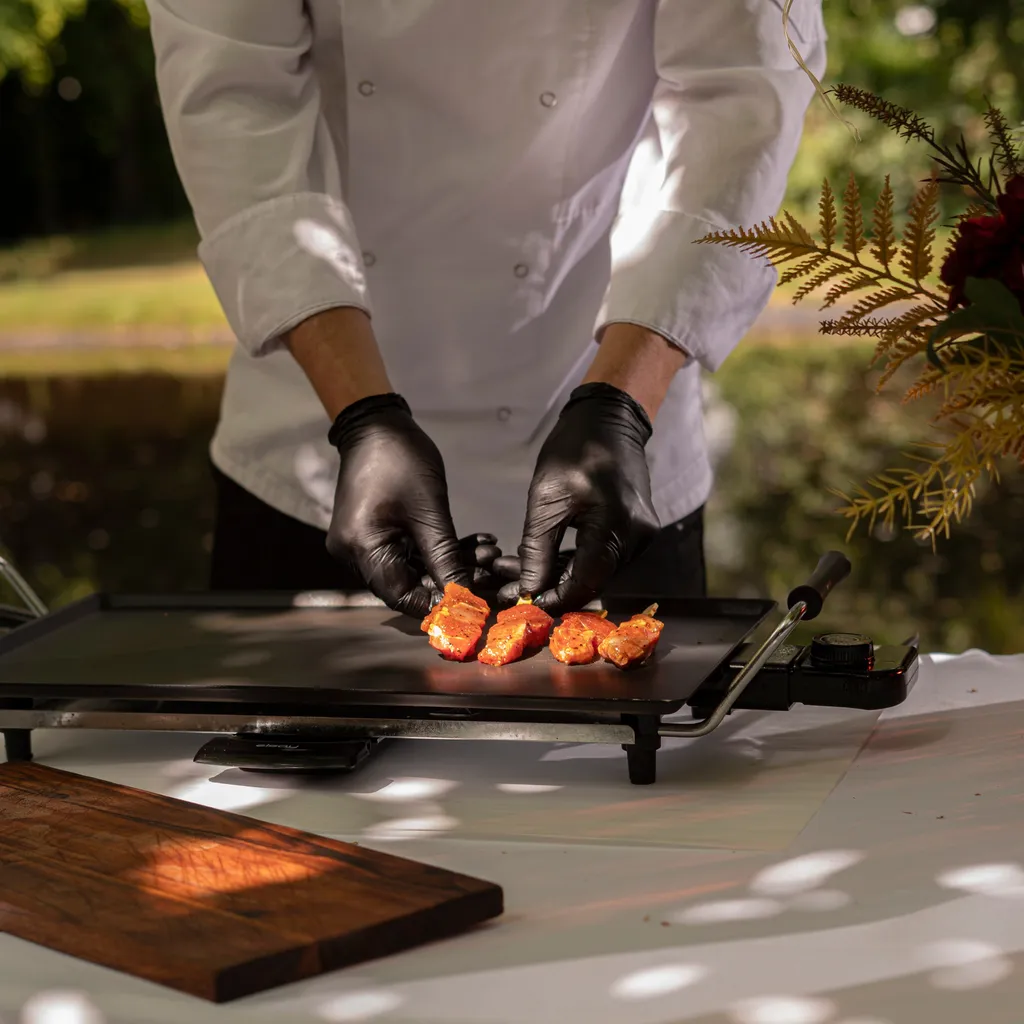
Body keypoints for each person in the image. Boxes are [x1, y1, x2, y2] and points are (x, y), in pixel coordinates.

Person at [146, 0, 826, 617]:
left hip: (620, 449)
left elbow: (739, 97)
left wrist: (622, 405)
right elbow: (235, 106)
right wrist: (359, 417)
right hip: (312, 468)